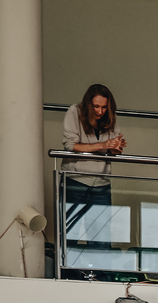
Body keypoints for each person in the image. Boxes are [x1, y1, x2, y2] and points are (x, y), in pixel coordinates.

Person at [62, 84, 125, 262]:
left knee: (101, 236)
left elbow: (112, 149)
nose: (100, 111)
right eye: (96, 106)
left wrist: (115, 148)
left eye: (104, 107)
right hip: (75, 180)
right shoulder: (74, 112)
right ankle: (68, 273)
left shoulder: (110, 117)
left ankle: (100, 273)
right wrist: (103, 145)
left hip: (102, 183)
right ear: (88, 104)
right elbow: (71, 145)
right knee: (70, 233)